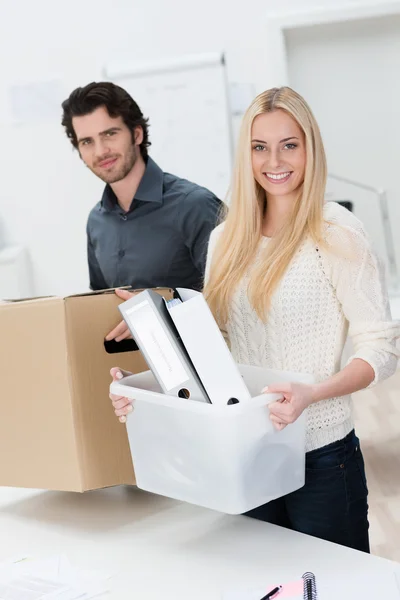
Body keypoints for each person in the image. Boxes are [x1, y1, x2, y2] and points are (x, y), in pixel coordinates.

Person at [108, 87, 399, 552]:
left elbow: (382, 347)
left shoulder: (337, 231)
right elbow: (218, 344)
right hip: (244, 455)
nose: (274, 160)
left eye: (290, 144)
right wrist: (149, 387)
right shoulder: (226, 238)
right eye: (259, 147)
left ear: (310, 148)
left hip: (322, 457)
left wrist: (312, 393)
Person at [61, 82, 222, 342]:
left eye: (110, 134)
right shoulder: (97, 221)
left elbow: (236, 301)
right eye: (87, 141)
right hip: (130, 374)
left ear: (136, 134)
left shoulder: (195, 206)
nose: (100, 151)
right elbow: (104, 307)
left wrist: (164, 308)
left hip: (203, 370)